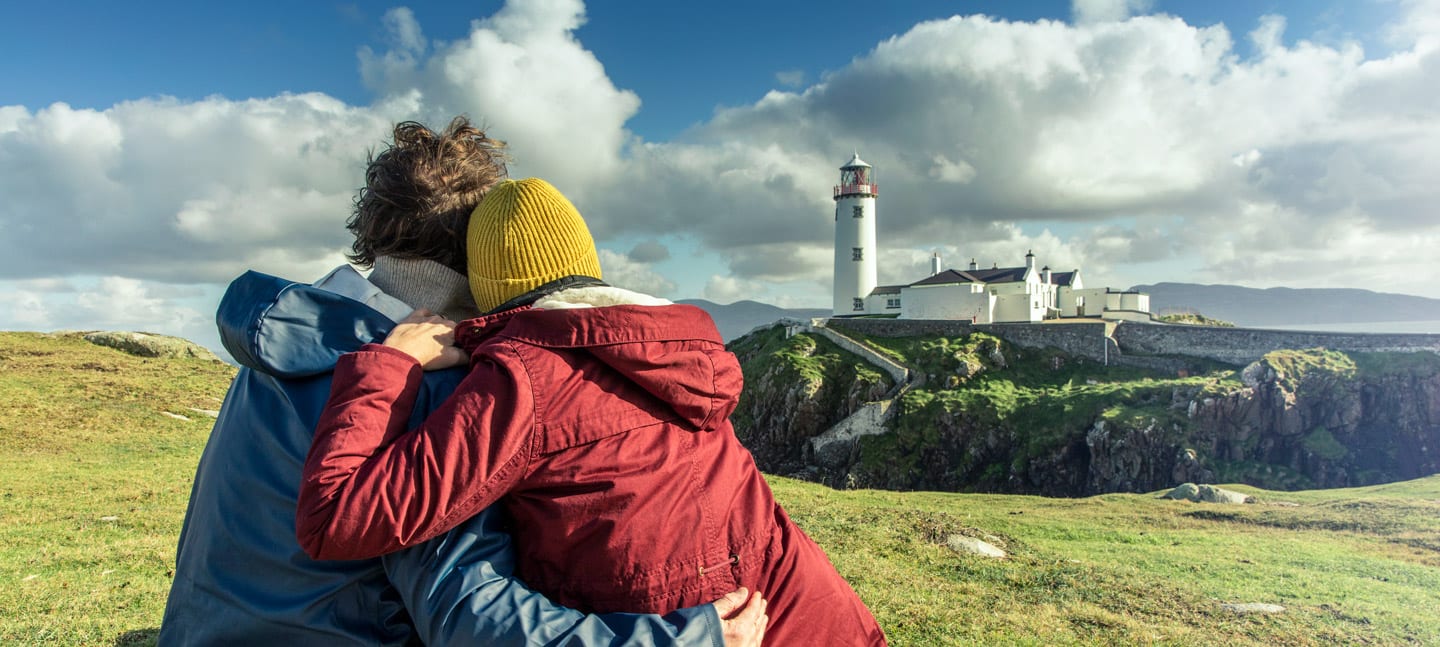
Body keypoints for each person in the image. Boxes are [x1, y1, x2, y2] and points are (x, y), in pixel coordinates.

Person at [160, 121, 764, 645]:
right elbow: (468, 614)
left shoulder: (289, 341)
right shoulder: (417, 385)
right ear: (483, 260)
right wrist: (686, 638)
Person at [296, 178, 886, 645]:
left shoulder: (522, 380)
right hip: (815, 614)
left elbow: (335, 519)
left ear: (488, 287)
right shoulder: (680, 349)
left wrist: (388, 364)